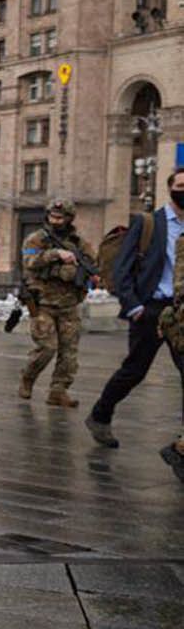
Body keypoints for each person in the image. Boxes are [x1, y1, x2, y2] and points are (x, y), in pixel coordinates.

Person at [87, 170, 184, 483]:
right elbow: (123, 266)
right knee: (135, 369)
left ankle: (181, 445)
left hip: (181, 311)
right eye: (181, 186)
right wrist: (135, 307)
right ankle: (100, 414)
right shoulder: (149, 223)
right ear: (170, 189)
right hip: (151, 309)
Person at [18, 198, 94, 407]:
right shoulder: (36, 239)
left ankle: (58, 391)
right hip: (42, 303)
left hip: (69, 304)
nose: (56, 220)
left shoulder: (78, 243)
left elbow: (91, 264)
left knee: (69, 353)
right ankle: (28, 377)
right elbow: (29, 262)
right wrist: (56, 254)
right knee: (47, 347)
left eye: (60, 217)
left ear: (69, 219)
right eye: (53, 216)